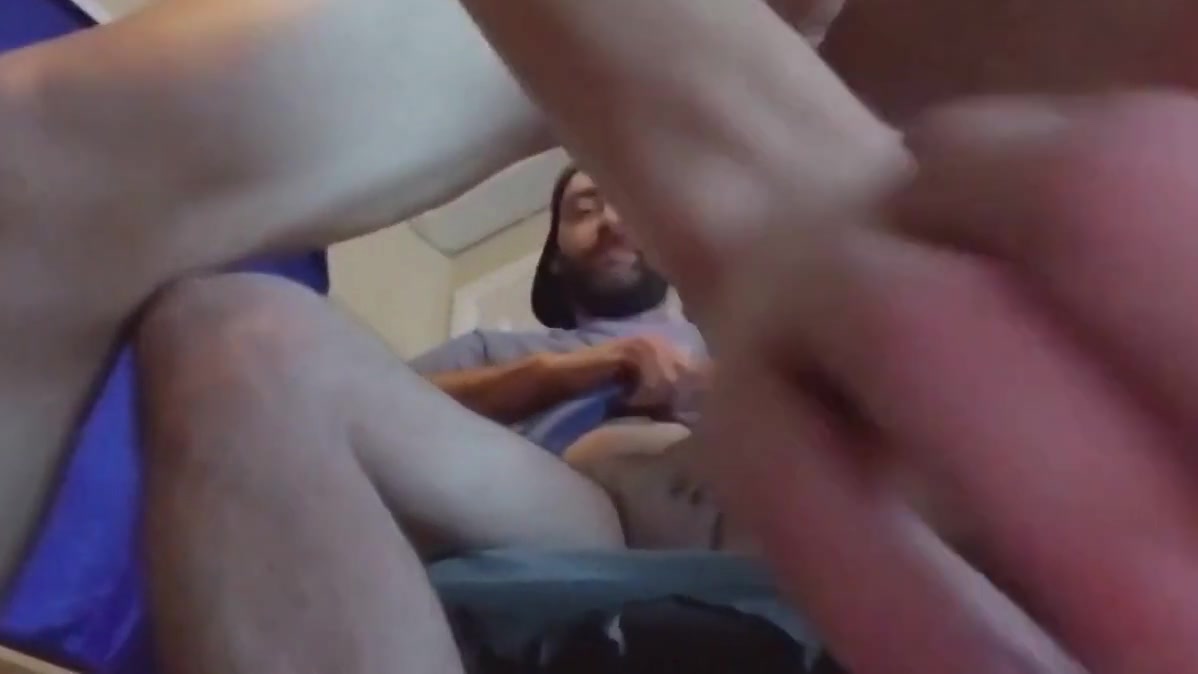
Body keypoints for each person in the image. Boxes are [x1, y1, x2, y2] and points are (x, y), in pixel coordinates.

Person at [1, 1, 1198, 674]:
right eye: (582, 206)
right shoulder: (517, 351)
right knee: (232, 326)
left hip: (825, 507)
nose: (608, 216)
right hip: (590, 510)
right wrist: (587, 368)